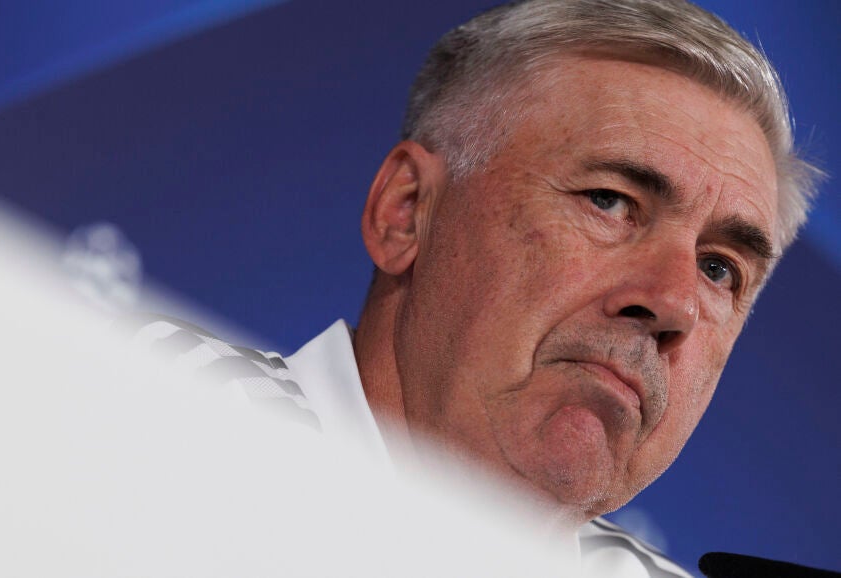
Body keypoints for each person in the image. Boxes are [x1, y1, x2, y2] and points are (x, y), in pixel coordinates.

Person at [134, 0, 822, 575]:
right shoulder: (140, 423)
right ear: (407, 212)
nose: (673, 303)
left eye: (718, 269)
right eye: (609, 201)